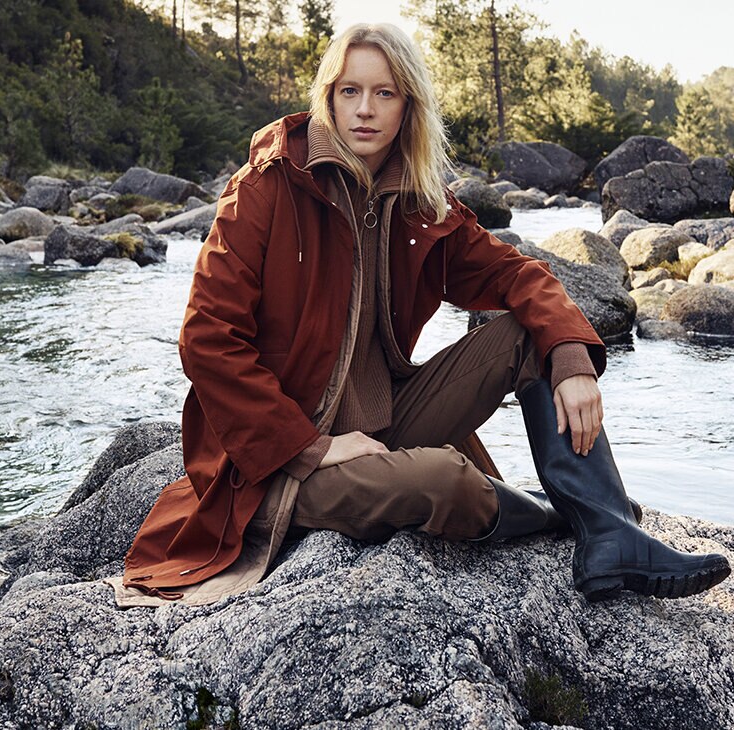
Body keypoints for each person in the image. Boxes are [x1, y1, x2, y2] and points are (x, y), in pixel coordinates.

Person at [107, 23, 730, 608]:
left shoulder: (417, 202)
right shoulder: (267, 187)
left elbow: (516, 275)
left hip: (384, 419)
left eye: (384, 93)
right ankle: (564, 514)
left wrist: (571, 360)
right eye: (349, 91)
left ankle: (609, 531)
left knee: (529, 333)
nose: (365, 109)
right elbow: (207, 339)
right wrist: (311, 447)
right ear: (328, 98)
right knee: (443, 479)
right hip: (279, 467)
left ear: (408, 106)